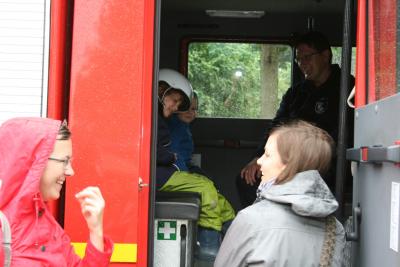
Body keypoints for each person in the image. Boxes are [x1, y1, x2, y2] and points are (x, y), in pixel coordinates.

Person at [236, 31, 355, 208]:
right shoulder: (296, 93)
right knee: (247, 179)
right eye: (299, 59)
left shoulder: (348, 89)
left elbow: (344, 136)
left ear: (325, 55)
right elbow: (276, 126)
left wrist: (304, 161)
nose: (302, 64)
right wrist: (258, 157)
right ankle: (267, 227)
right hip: (287, 159)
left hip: (325, 163)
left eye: (307, 57)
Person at [215, 121, 345, 267]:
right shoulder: (335, 229)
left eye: (268, 155)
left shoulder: (250, 220)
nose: (260, 161)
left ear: (289, 164)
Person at [0, 117, 113, 266]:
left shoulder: (47, 224)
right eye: (64, 161)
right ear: (36, 162)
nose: (70, 171)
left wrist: (95, 230)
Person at [156, 69, 235, 262]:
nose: (176, 107)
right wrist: (170, 157)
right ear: (160, 91)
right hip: (160, 176)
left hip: (167, 173)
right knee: (206, 188)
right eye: (174, 100)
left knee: (216, 196)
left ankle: (237, 239)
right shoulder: (153, 120)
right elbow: (155, 152)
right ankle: (208, 250)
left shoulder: (162, 119)